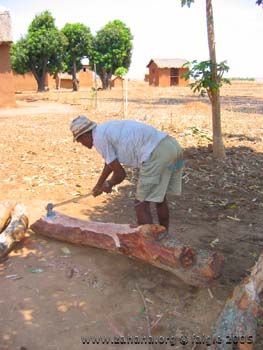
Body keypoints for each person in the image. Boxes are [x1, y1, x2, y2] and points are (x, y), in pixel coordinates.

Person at [70, 115, 184, 239]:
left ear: (84, 135)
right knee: (159, 198)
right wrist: (99, 184)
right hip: (172, 147)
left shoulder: (99, 140)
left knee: (141, 204)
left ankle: (149, 244)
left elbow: (120, 174)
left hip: (156, 154)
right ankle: (165, 237)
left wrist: (109, 184)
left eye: (80, 141)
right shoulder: (104, 130)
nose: (82, 144)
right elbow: (110, 163)